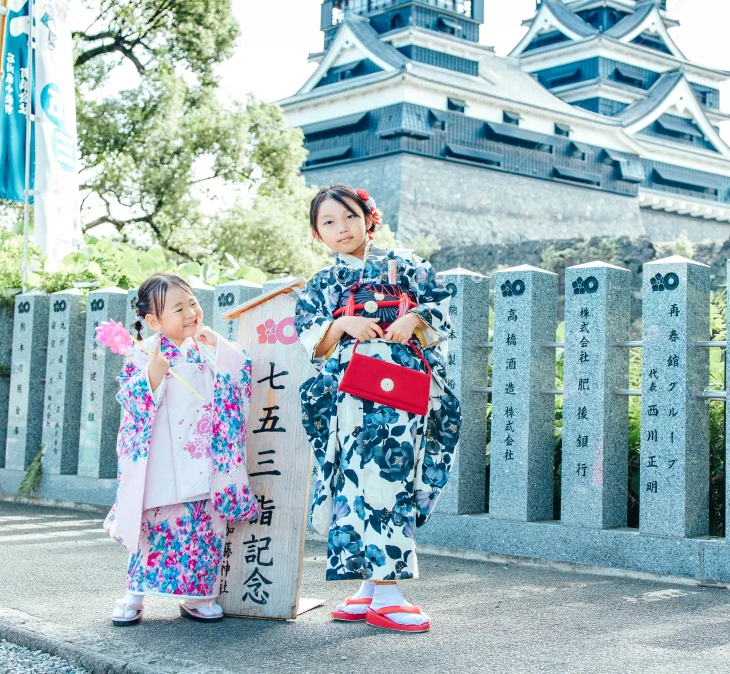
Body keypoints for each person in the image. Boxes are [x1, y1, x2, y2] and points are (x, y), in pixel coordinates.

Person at [295, 184, 462, 633]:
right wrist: (340, 324)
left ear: (369, 217)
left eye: (349, 216)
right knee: (354, 480)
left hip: (399, 395)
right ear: (317, 234)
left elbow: (441, 306)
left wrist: (415, 318)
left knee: (390, 478)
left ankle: (381, 589)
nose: (341, 228)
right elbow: (311, 336)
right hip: (347, 399)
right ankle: (376, 591)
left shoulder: (408, 265)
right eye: (328, 222)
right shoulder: (321, 285)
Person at [105, 273, 258, 626]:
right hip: (163, 463)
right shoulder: (142, 354)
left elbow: (241, 374)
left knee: (204, 530)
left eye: (192, 302)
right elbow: (130, 401)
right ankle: (134, 593)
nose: (191, 312)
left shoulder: (208, 346)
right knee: (153, 532)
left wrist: (218, 345)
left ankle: (198, 596)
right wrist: (153, 375)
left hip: (205, 460)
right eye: (178, 308)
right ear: (153, 321)